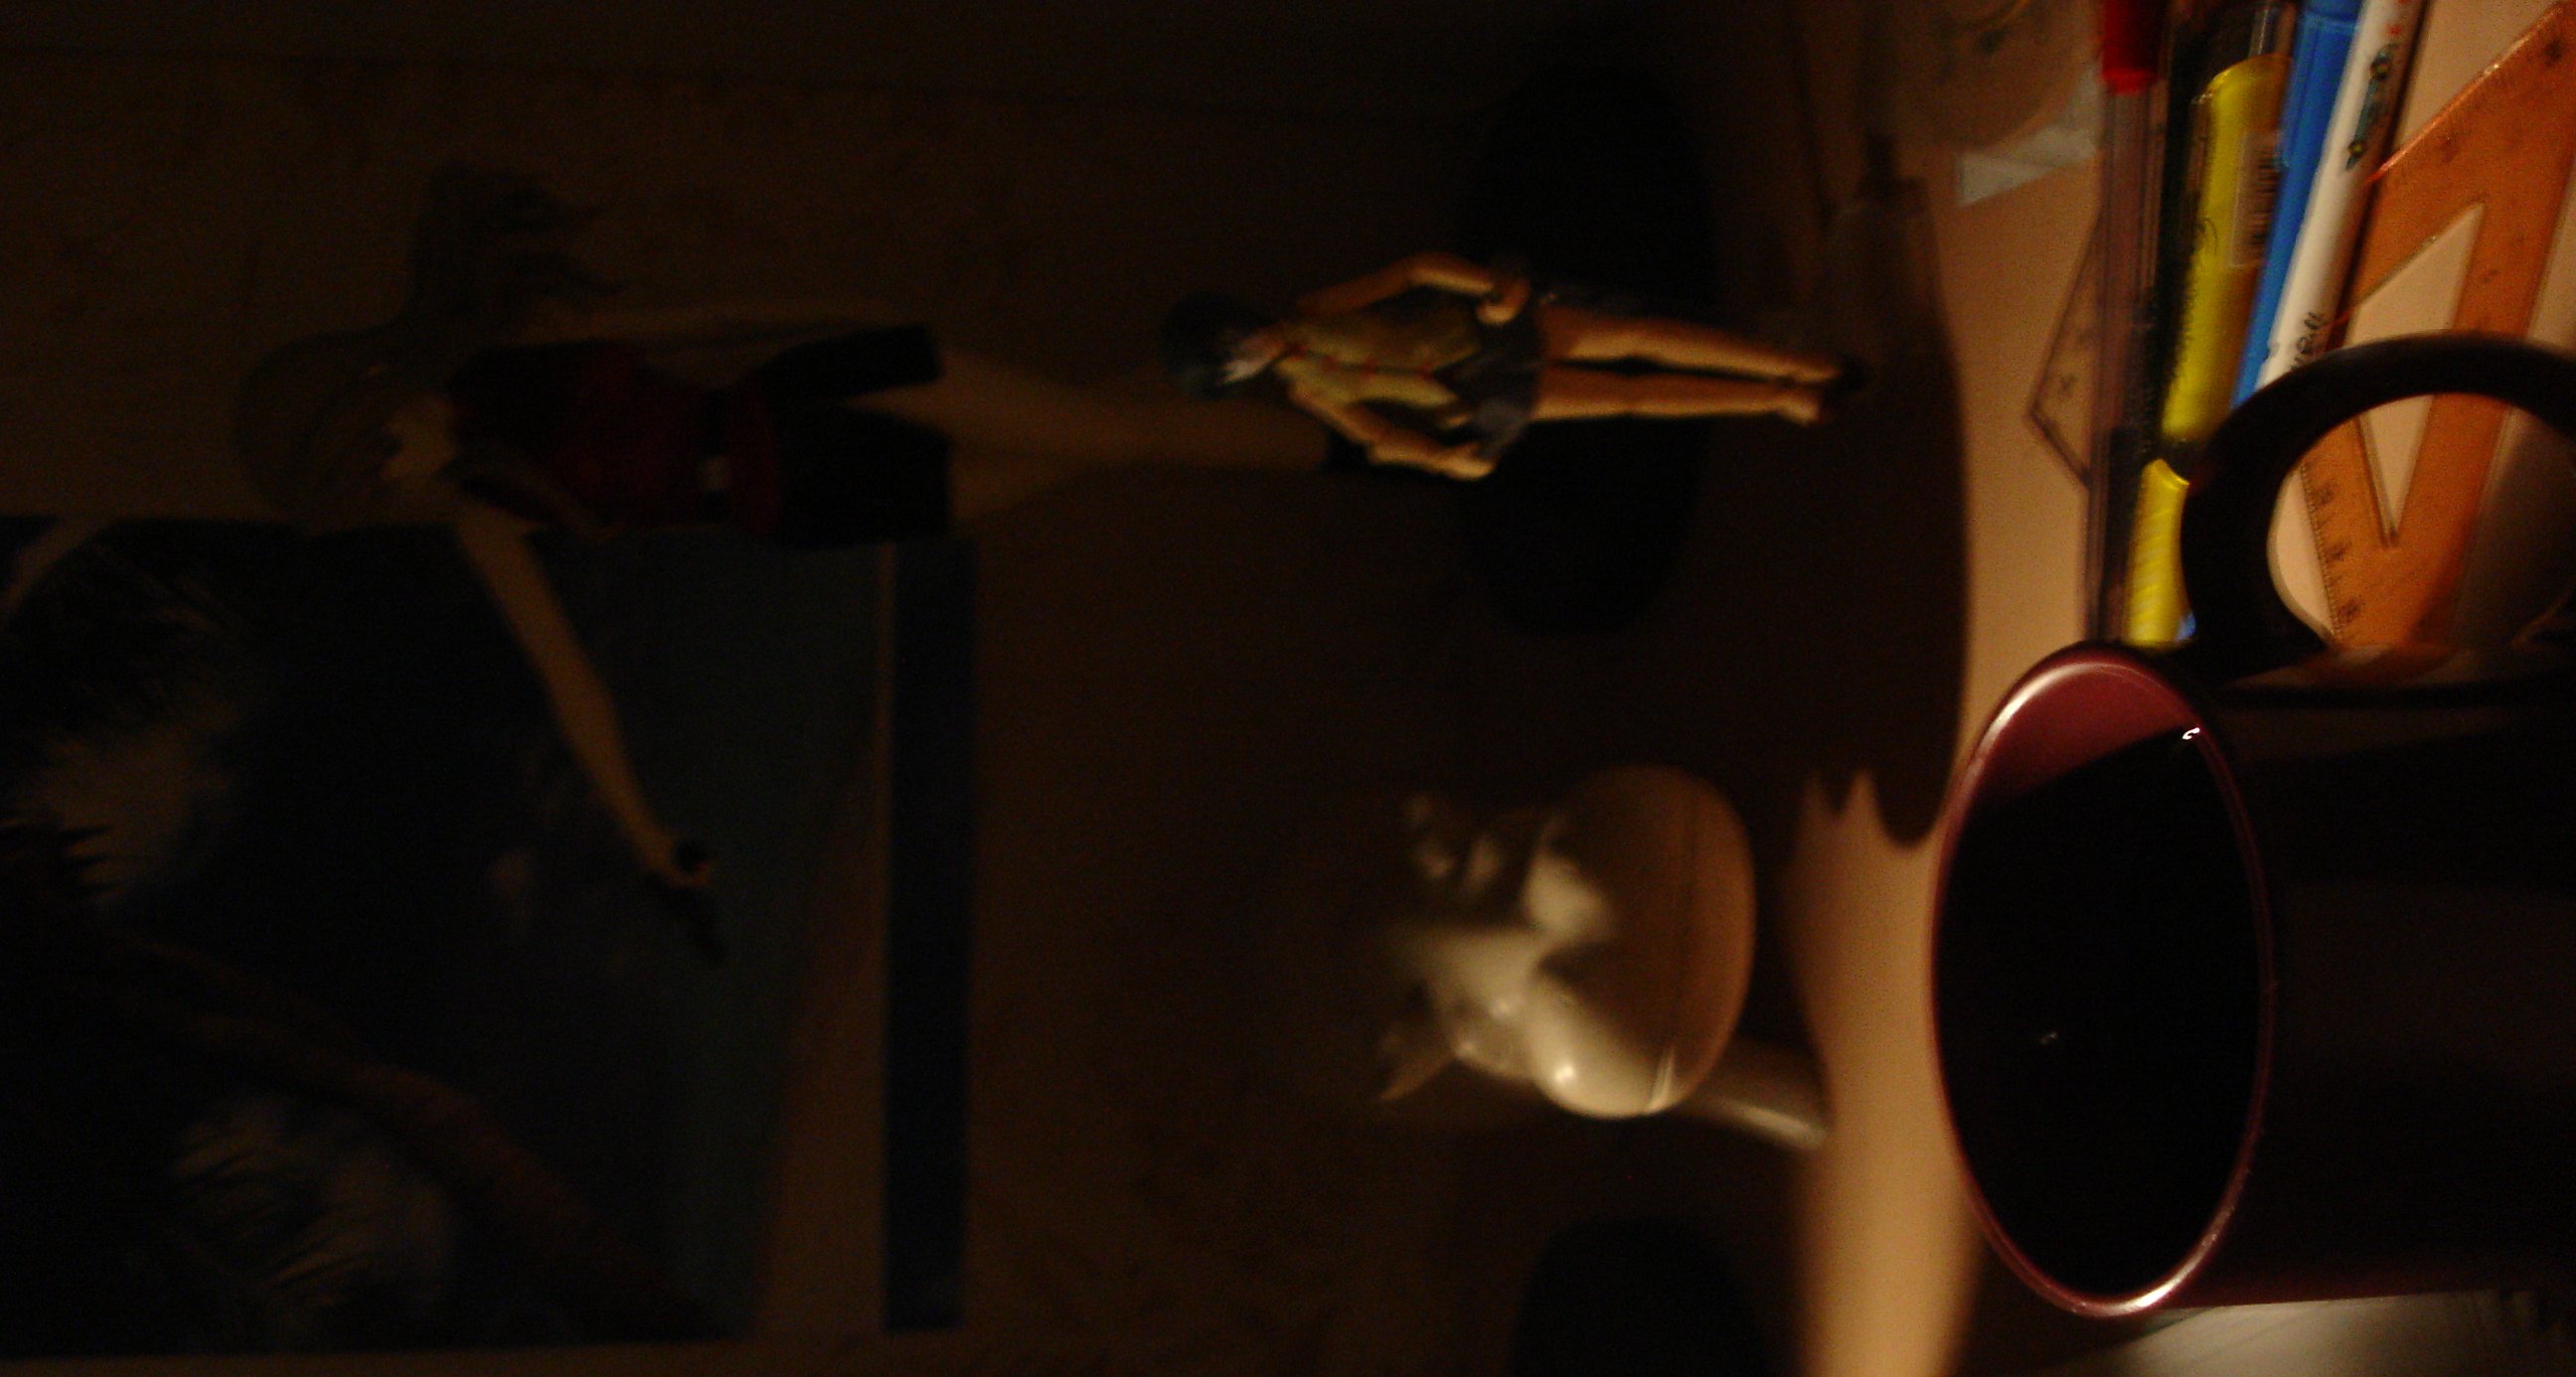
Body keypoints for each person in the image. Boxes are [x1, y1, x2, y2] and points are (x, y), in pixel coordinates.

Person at [236, 169, 1327, 927]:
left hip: (815, 401)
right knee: (1103, 432)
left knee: (1113, 434)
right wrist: (650, 842)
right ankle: (1330, 378)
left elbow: (705, 328)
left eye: (376, 454)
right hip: (814, 507)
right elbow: (572, 688)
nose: (394, 479)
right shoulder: (488, 513)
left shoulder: (524, 351)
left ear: (380, 396)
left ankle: (1343, 407)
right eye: (371, 488)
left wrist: (842, 307)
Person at [1161, 252, 1855, 481]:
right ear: (1234, 381)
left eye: (1234, 340)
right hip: (1477, 396)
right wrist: (1440, 458)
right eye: (1232, 364)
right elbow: (1377, 435)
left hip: (1484, 331)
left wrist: (1492, 290)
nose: (1246, 352)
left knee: (1637, 335)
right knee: (1630, 398)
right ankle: (1776, 398)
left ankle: (1795, 362)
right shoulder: (1308, 393)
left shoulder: (1319, 307)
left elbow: (1413, 270)